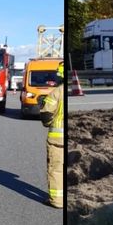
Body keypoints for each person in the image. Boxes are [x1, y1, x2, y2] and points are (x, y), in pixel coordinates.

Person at [38, 62, 64, 208]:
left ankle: (57, 200)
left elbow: (47, 112)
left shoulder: (57, 92)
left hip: (57, 139)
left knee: (56, 168)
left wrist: (47, 123)